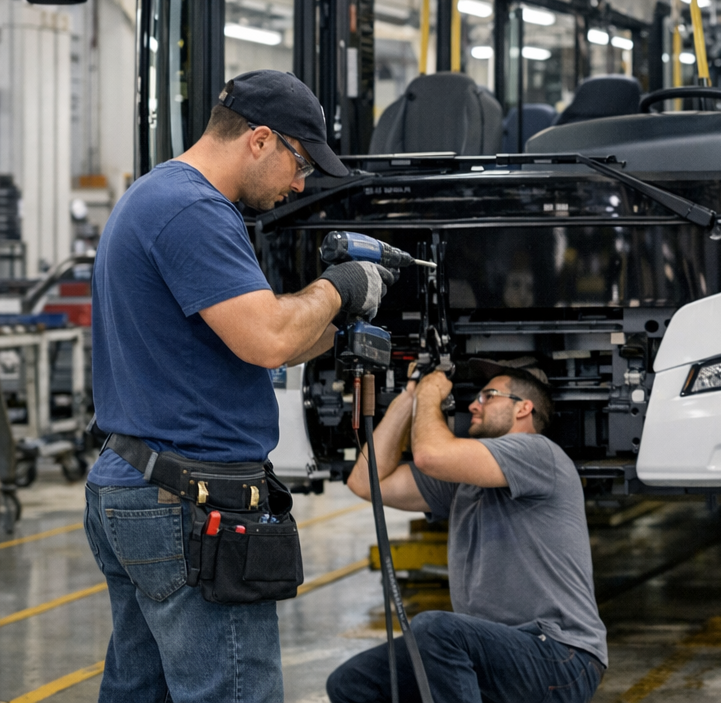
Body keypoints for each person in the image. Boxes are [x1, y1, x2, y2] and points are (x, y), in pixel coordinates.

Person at [86, 70, 400, 702]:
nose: (300, 184)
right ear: (260, 140)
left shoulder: (160, 196)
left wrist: (338, 322)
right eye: (300, 162)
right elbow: (271, 340)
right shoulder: (192, 210)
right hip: (187, 502)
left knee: (141, 692)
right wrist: (339, 286)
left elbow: (266, 340)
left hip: (139, 484)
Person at [326, 365, 606, 703]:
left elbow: (430, 455)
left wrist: (431, 392)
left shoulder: (539, 453)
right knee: (353, 682)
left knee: (436, 631)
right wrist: (410, 394)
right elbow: (365, 482)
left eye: (488, 396)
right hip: (494, 653)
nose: (474, 405)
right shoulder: (464, 482)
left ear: (523, 408)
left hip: (560, 655)